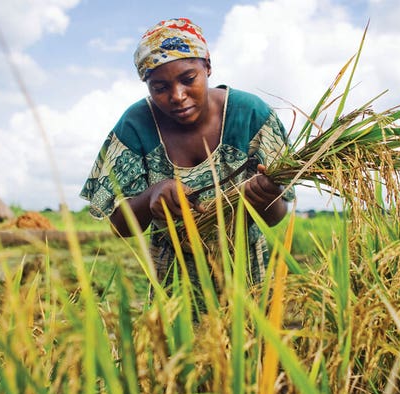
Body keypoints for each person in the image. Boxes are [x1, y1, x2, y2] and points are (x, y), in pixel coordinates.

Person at [80, 17, 294, 296]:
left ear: (207, 66)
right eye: (160, 88)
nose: (177, 96)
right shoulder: (135, 125)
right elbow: (120, 226)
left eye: (188, 79)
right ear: (147, 86)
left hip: (247, 279)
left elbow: (276, 216)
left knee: (252, 340)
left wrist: (265, 195)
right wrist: (151, 196)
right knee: (176, 342)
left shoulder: (252, 116)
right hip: (174, 284)